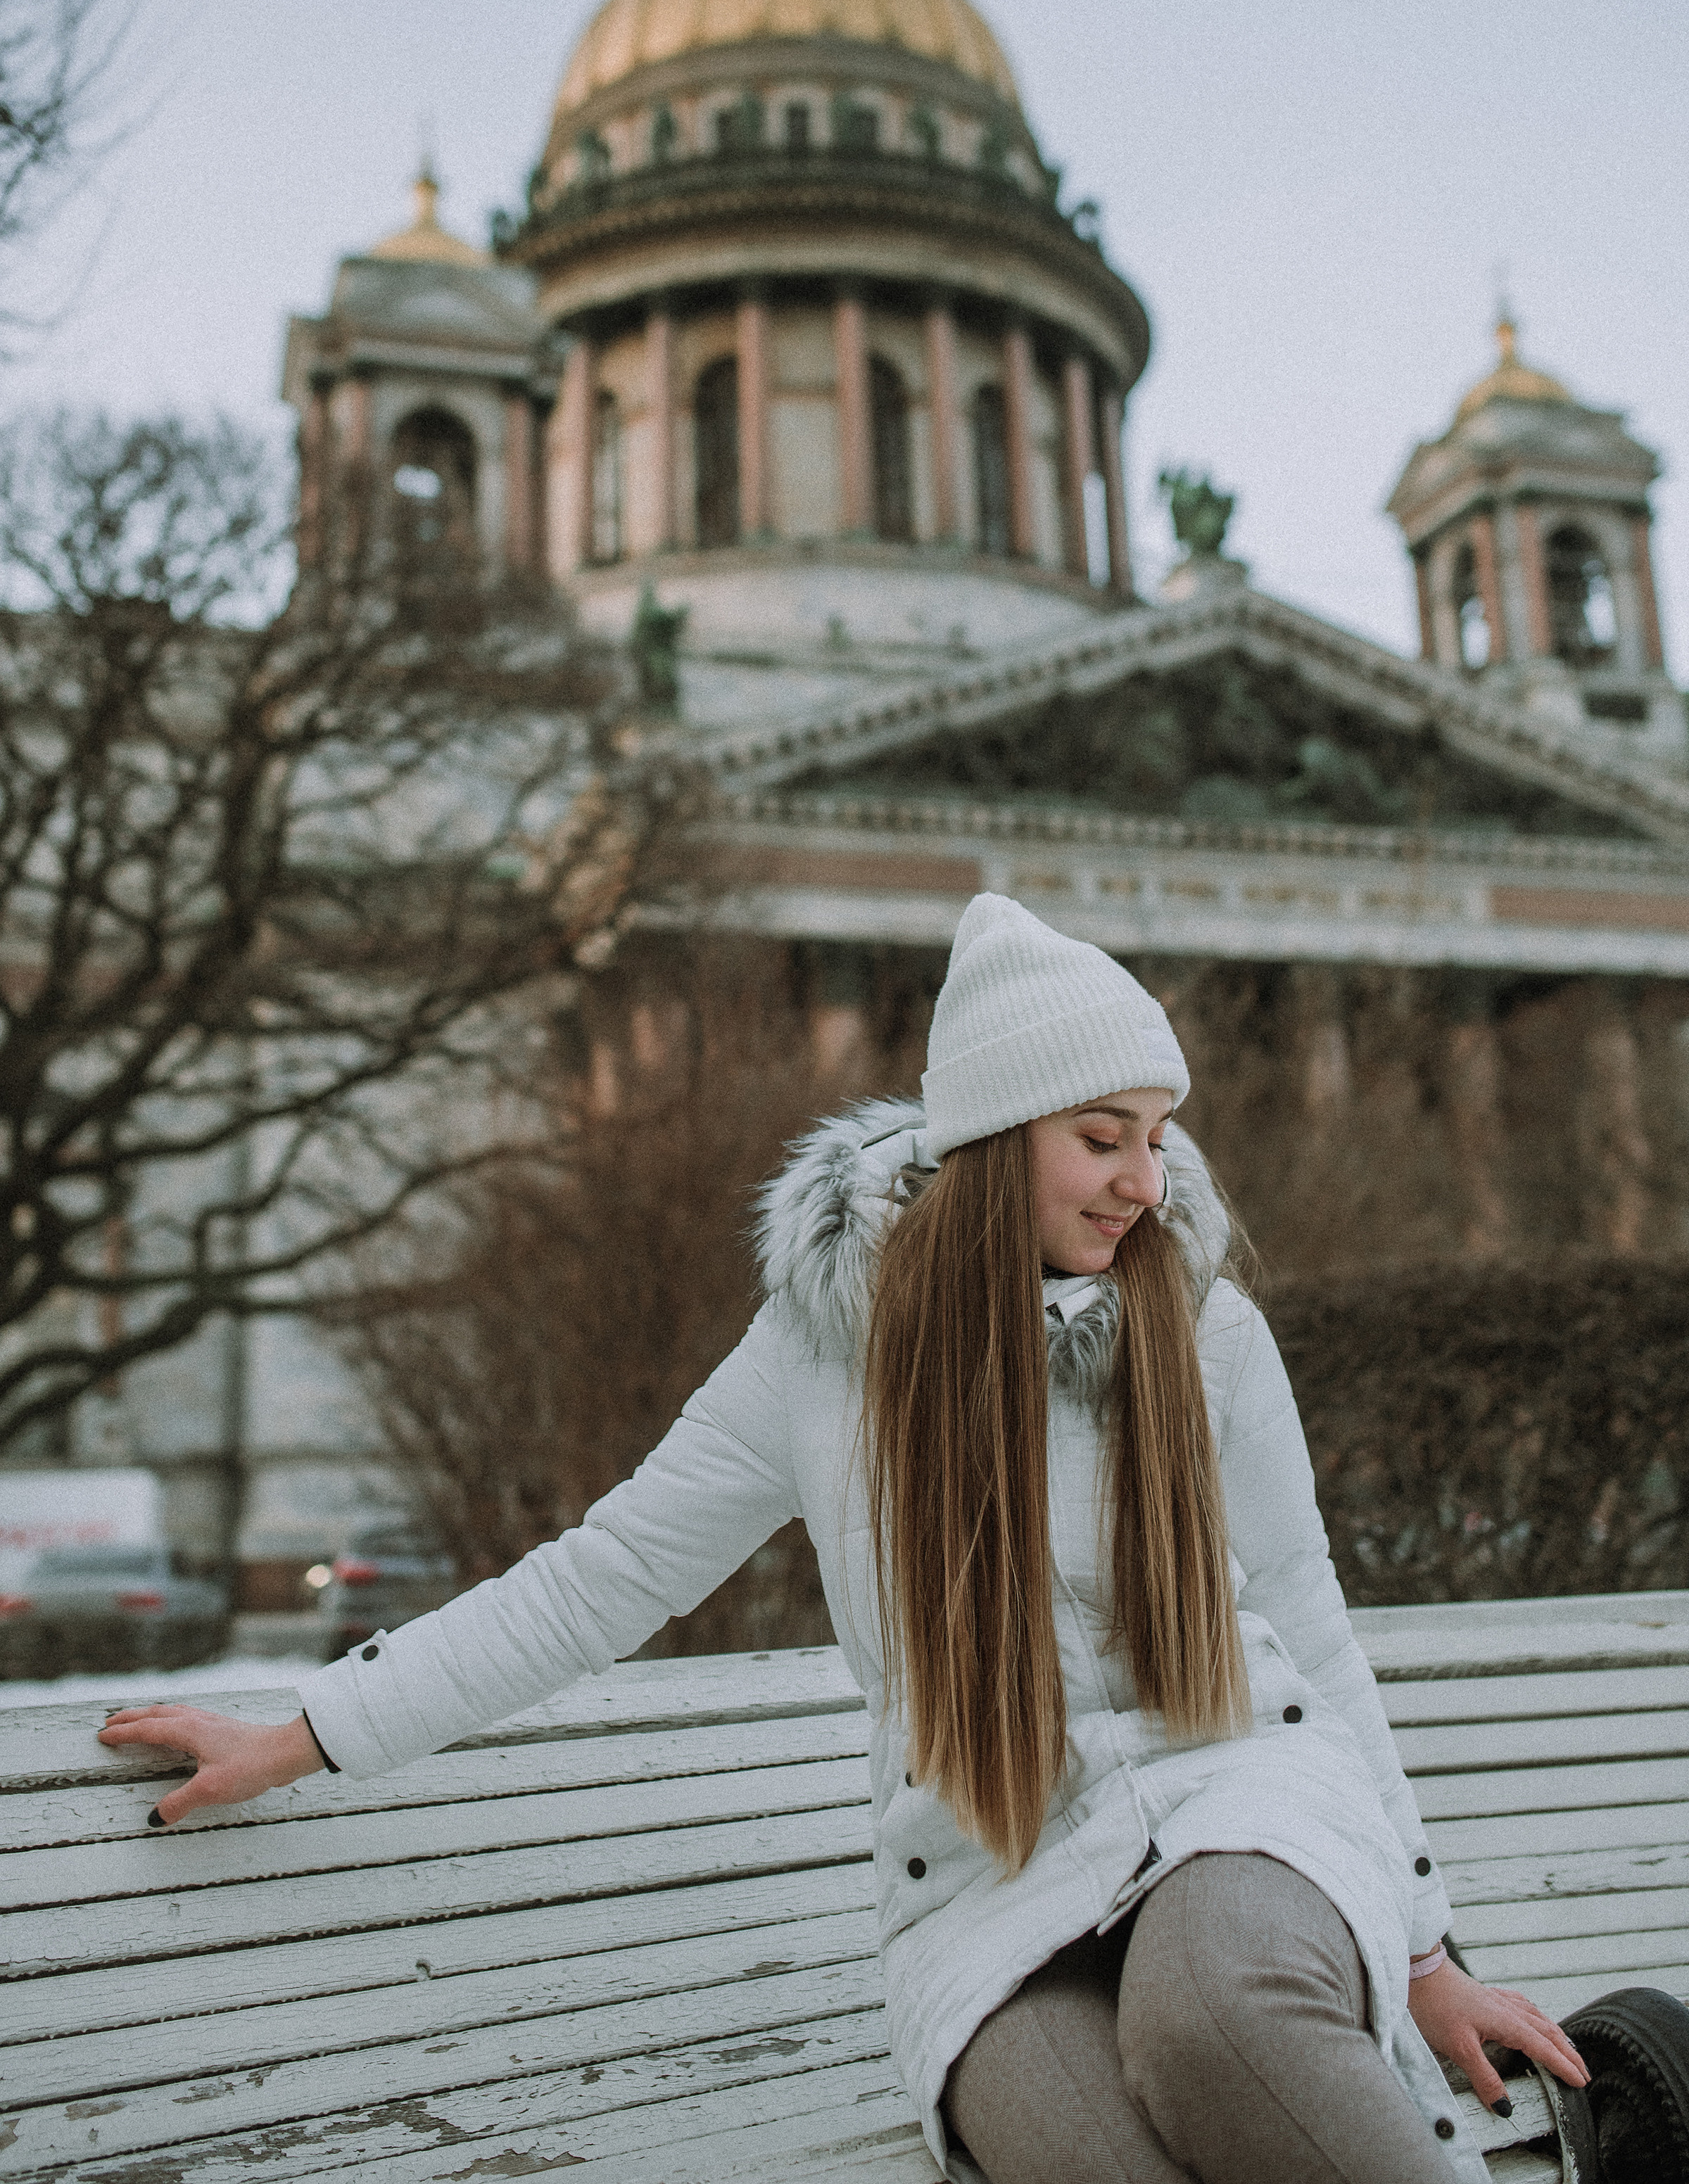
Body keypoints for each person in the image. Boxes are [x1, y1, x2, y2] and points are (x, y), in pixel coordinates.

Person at [102, 894, 1588, 2183]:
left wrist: (1423, 1951)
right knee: (1087, 2151)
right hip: (990, 1872)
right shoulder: (819, 1355)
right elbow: (604, 1578)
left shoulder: (1201, 1327)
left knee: (1216, 2025)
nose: (1147, 1181)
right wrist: (307, 1732)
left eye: (1156, 1137)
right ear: (996, 1138)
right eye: (1102, 1139)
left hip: (1238, 1796)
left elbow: (1304, 1606)